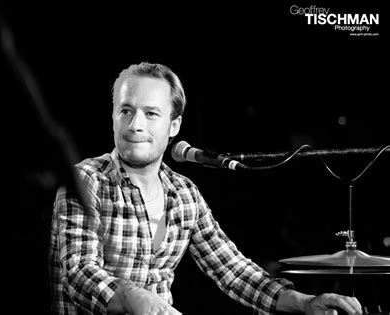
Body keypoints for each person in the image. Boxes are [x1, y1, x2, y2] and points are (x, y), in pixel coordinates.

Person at [49, 62, 362, 315]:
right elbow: (79, 273)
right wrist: (134, 297)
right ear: (114, 116)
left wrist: (304, 302)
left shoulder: (184, 194)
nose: (135, 125)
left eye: (151, 113)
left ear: (174, 126)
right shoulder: (87, 179)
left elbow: (232, 269)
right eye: (126, 110)